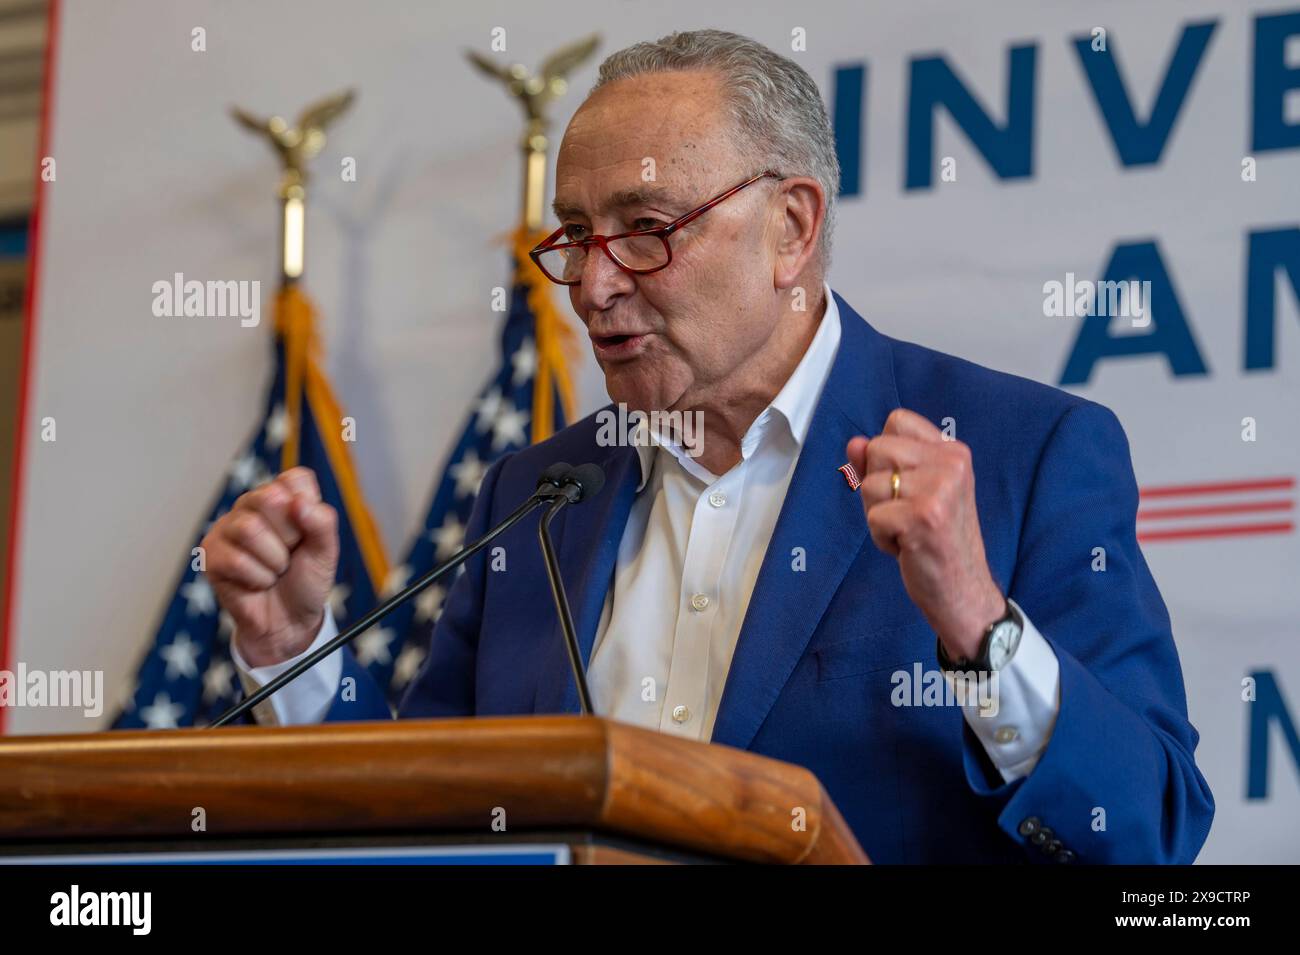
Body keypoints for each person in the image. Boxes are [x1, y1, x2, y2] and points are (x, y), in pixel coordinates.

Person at [200, 29, 1213, 863]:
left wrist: (979, 629)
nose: (594, 287)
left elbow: (1149, 835)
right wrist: (296, 655)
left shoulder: (1022, 454)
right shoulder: (535, 493)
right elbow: (428, 821)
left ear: (790, 227)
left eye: (645, 228)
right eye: (574, 237)